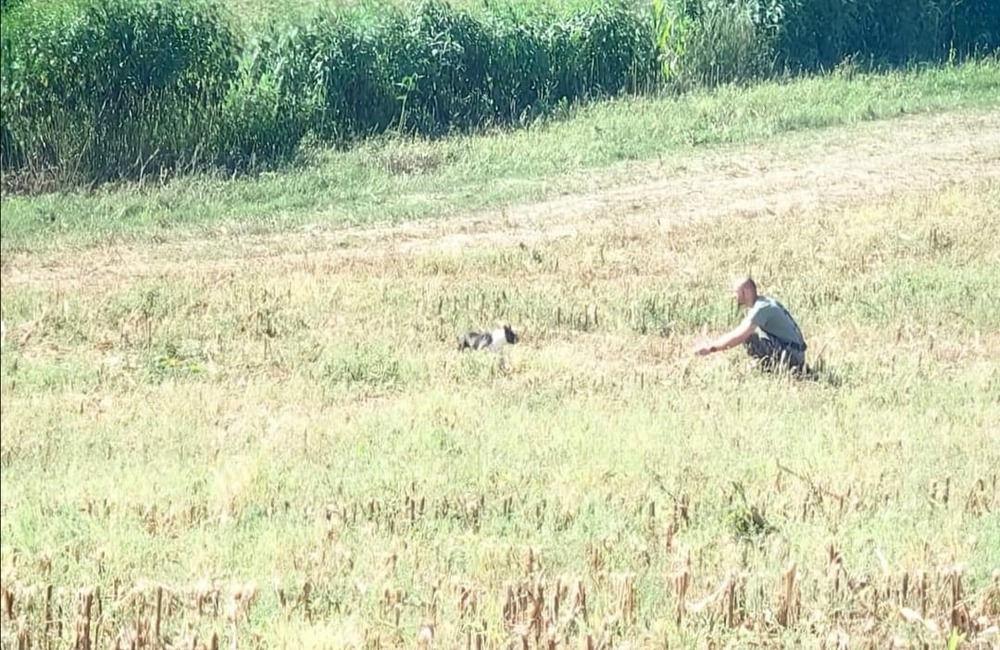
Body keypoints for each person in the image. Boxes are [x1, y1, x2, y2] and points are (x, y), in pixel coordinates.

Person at [693, 277, 808, 372]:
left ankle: (772, 369)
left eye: (735, 292)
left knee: (749, 337)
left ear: (746, 292)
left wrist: (711, 348)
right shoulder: (765, 303)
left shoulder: (761, 309)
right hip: (796, 352)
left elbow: (740, 335)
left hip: (792, 355)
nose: (734, 296)